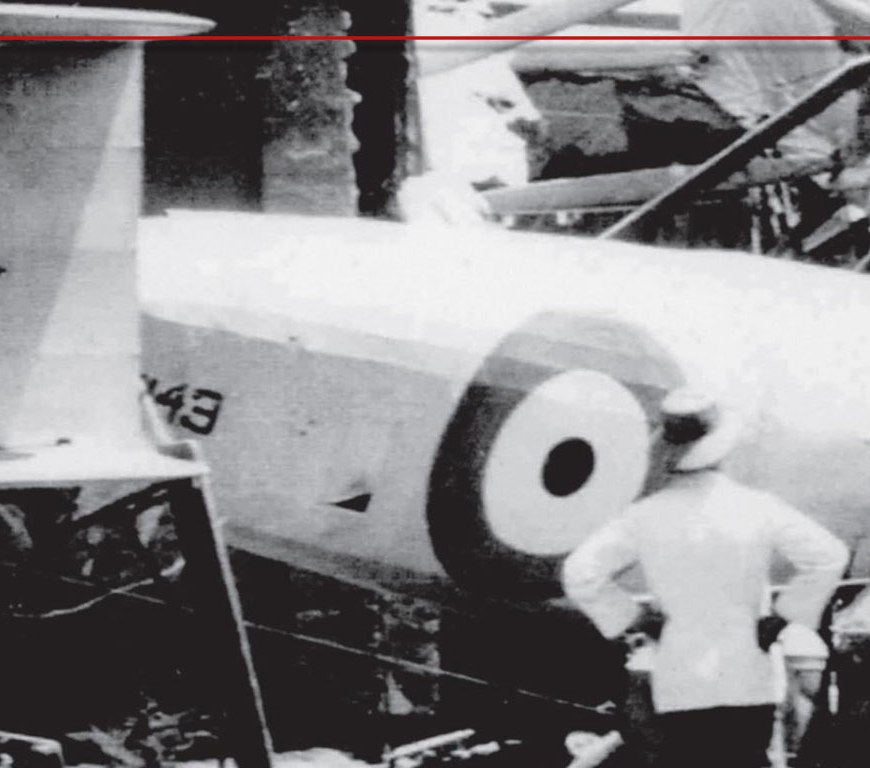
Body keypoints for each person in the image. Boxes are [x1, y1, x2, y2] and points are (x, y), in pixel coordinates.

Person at [561, 387, 849, 768]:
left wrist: (635, 618)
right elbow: (829, 556)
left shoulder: (645, 516)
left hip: (679, 679)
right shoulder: (756, 508)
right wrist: (781, 618)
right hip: (747, 674)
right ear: (723, 449)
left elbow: (580, 573)